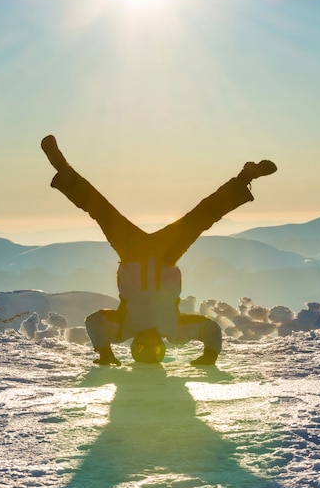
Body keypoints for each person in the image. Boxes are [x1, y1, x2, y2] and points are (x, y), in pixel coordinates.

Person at [41, 135, 277, 367]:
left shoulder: (122, 329)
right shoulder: (174, 329)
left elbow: (93, 322)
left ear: (134, 347)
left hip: (131, 252)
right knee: (201, 217)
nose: (149, 344)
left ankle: (60, 166)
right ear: (162, 348)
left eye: (142, 349)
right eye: (155, 350)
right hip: (167, 255)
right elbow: (211, 330)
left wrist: (104, 351)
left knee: (101, 210)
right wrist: (210, 356)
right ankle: (245, 176)